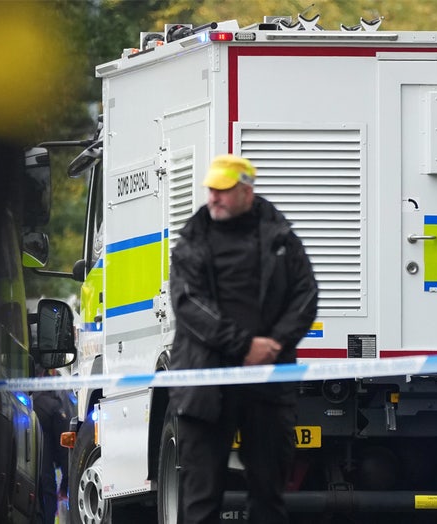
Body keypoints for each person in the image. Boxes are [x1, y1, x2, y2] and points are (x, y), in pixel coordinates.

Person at [168, 154, 319, 524]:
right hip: (205, 385)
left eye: (223, 190)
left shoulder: (280, 237)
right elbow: (188, 303)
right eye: (211, 190)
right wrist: (245, 346)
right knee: (201, 500)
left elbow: (306, 295)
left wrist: (275, 345)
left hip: (267, 385)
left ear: (246, 192)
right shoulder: (192, 240)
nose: (214, 197)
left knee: (269, 497)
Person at [33, 366, 74, 524]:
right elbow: (65, 444)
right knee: (47, 486)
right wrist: (66, 482)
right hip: (45, 475)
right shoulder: (55, 398)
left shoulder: (47, 397)